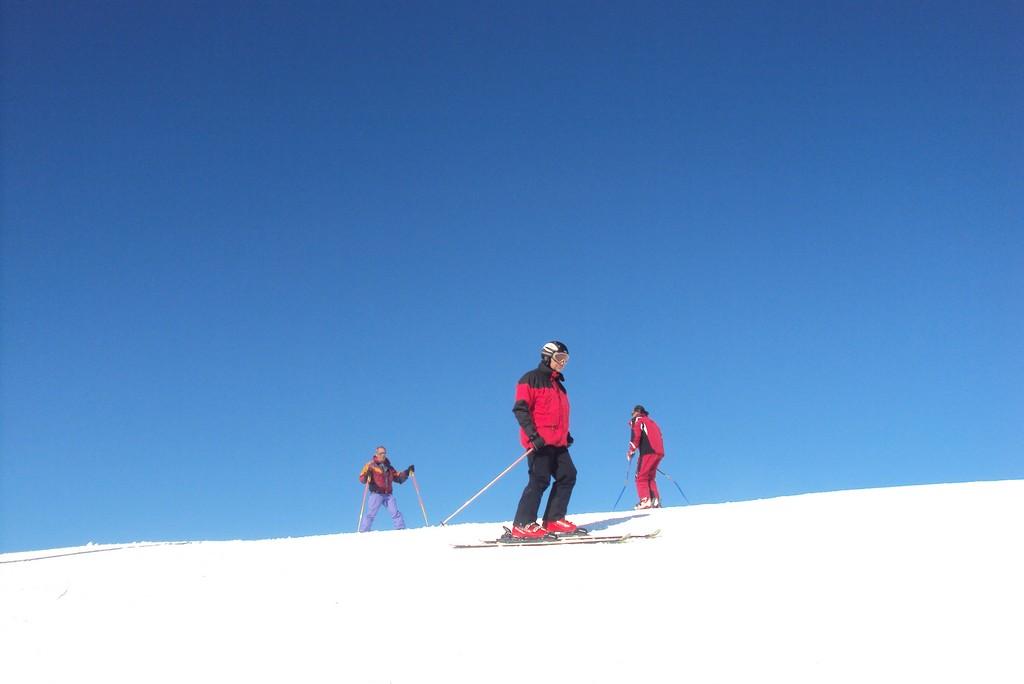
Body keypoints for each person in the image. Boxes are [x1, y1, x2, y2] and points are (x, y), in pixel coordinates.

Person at [510, 340, 580, 539]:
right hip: (539, 440)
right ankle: (523, 523)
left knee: (568, 474)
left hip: (558, 442)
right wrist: (533, 435)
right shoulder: (530, 379)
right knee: (539, 479)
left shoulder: (559, 386)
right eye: (559, 358)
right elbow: (521, 409)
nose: (562, 363)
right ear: (547, 357)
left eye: (565, 359)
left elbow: (558, 415)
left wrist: (566, 435)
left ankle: (553, 519)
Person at [358, 446, 413, 532]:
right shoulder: (370, 465)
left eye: (384, 453)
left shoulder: (389, 467)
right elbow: (362, 478)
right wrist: (366, 475)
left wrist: (407, 472)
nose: (383, 455)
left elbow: (397, 477)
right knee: (371, 514)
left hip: (388, 494)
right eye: (381, 453)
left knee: (395, 512)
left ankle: (400, 529)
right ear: (376, 454)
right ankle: (364, 530)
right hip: (376, 493)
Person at [627, 405, 665, 510]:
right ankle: (655, 500)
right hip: (658, 451)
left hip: (648, 451)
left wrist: (631, 450)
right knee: (650, 477)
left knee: (640, 476)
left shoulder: (638, 421)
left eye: (632, 413)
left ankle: (645, 500)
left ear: (636, 412)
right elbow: (660, 435)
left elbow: (636, 436)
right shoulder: (652, 422)